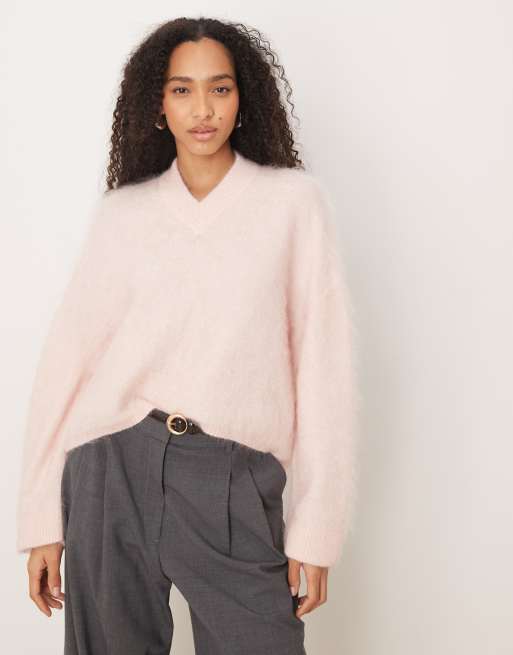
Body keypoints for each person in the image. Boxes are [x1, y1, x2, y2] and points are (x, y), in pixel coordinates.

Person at [16, 16, 360, 655]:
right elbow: (66, 366)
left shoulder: (292, 205)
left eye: (220, 88)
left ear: (243, 97)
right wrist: (41, 519)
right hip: (111, 468)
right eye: (182, 90)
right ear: (158, 103)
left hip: (232, 476)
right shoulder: (124, 214)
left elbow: (323, 368)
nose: (202, 109)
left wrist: (316, 527)